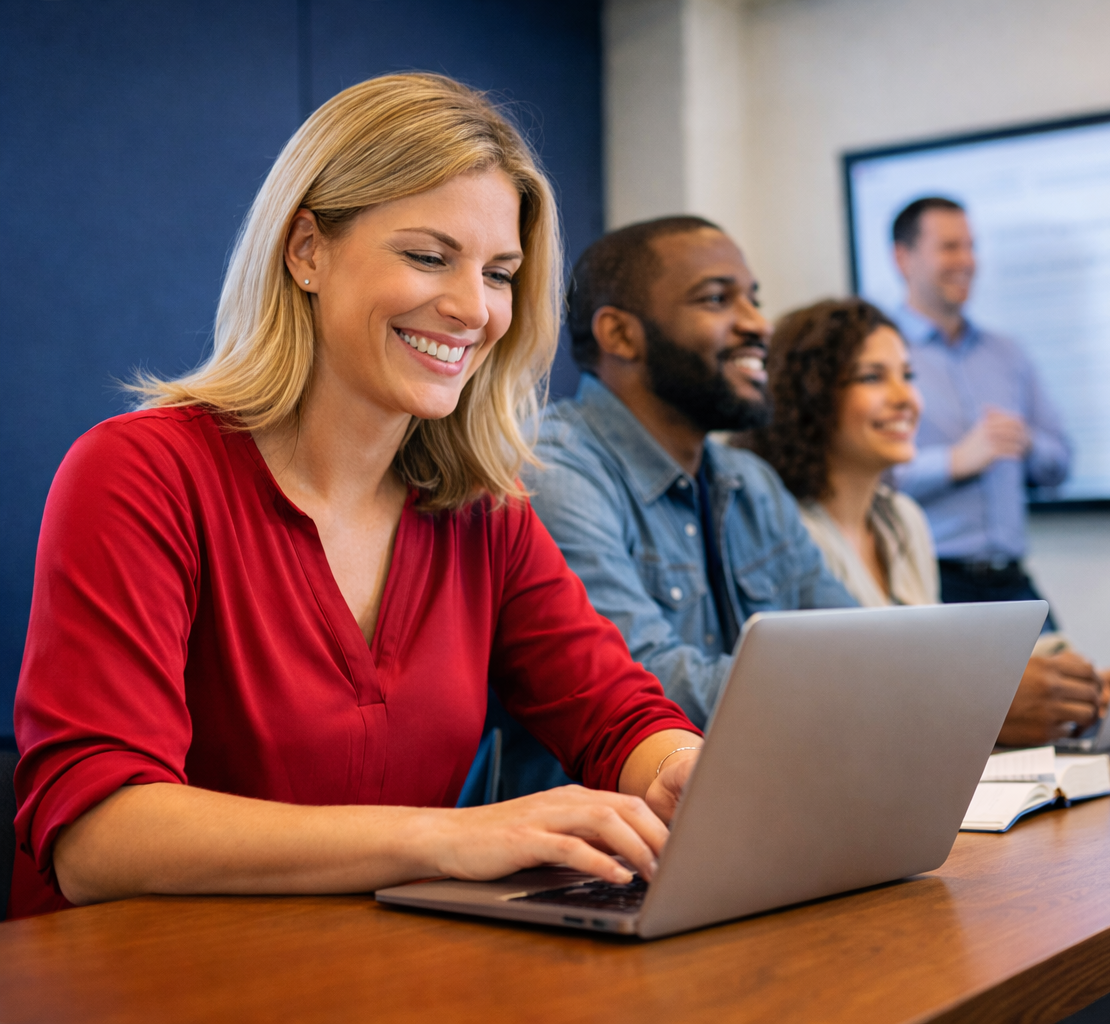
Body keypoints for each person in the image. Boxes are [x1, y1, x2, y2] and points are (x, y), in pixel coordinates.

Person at [8, 74, 703, 920]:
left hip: (369, 980)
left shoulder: (485, 513)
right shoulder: (138, 473)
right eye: (427, 256)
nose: (472, 308)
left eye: (500, 273)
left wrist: (678, 765)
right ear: (306, 250)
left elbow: (612, 713)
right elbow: (96, 835)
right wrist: (448, 838)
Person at [520, 217, 857, 758]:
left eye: (753, 299)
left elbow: (860, 643)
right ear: (621, 335)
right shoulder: (554, 471)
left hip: (760, 802)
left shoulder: (751, 482)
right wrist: (871, 690)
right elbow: (647, 684)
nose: (758, 325)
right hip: (611, 828)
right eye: (717, 300)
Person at [742, 297, 1110, 746]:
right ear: (811, 394)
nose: (906, 399)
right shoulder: (782, 531)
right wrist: (987, 702)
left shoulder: (904, 520)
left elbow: (930, 669)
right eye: (873, 377)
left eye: (908, 376)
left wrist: (1074, 687)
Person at [888, 197, 1072, 623]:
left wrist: (1026, 443)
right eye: (950, 247)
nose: (967, 261)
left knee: (1075, 684)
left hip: (1012, 581)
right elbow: (862, 480)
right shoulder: (882, 356)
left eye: (971, 247)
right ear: (904, 258)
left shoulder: (1007, 354)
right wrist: (954, 462)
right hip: (933, 582)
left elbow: (1060, 463)